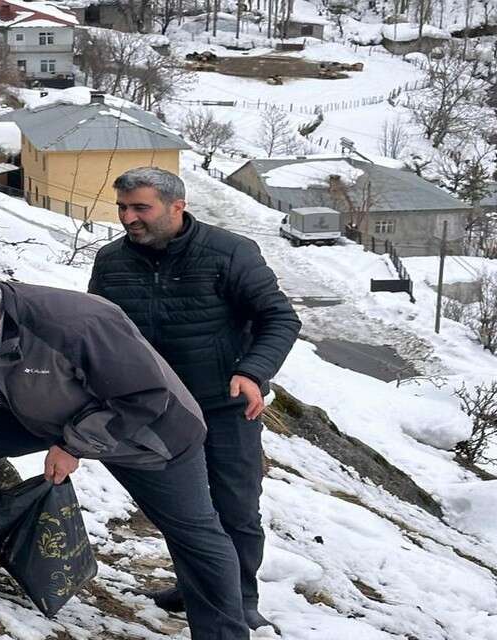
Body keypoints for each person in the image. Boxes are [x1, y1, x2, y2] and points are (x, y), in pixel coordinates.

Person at [0, 270, 249, 639]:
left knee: (194, 534)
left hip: (149, 432)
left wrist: (73, 446)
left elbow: (144, 397)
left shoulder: (76, 325)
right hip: (49, 410)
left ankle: (223, 633)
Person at [89, 167, 302, 632]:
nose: (128, 218)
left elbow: (280, 318)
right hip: (156, 407)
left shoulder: (229, 252)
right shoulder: (111, 261)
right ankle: (196, 587)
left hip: (224, 404)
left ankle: (240, 600)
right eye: (123, 208)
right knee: (185, 511)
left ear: (177, 206)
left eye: (140, 208)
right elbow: (100, 331)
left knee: (236, 507)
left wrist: (252, 372)